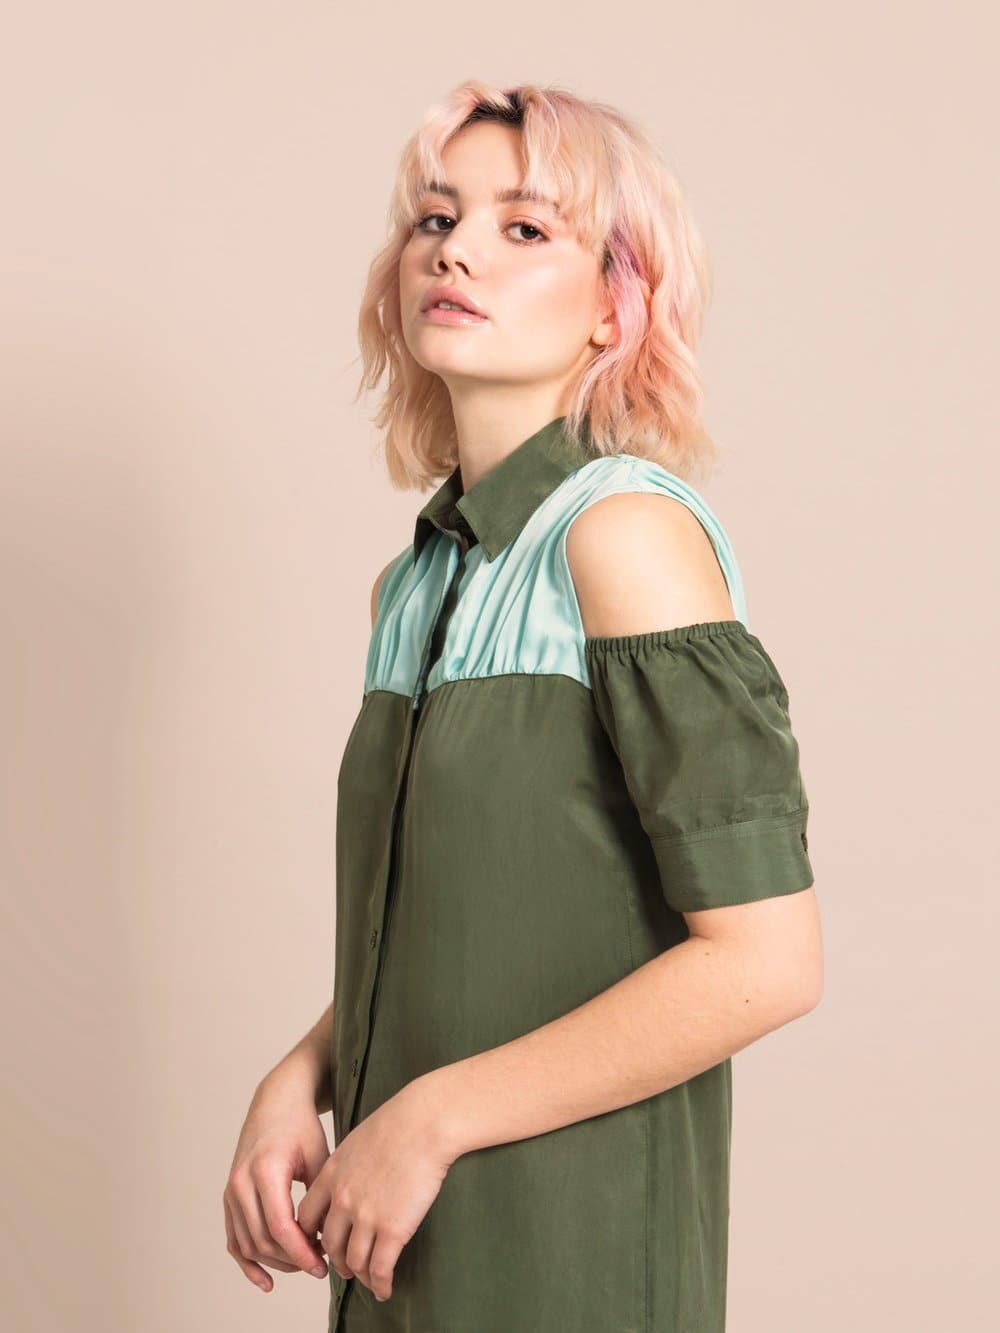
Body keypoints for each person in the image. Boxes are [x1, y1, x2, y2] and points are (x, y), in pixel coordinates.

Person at [224, 80, 823, 1333]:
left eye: (524, 226)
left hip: (568, 1255)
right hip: (399, 1244)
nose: (455, 247)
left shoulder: (627, 539)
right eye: (435, 217)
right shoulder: (420, 579)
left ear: (618, 302)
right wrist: (307, 1073)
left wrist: (427, 1120)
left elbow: (766, 961)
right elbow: (475, 911)